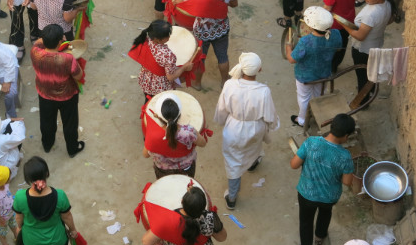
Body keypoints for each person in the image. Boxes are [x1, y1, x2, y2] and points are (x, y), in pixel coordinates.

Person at [214, 52, 279, 210]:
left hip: (233, 129)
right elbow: (270, 116)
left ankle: (232, 197)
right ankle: (252, 163)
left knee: (233, 162)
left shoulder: (230, 85)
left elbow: (221, 109)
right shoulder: (263, 91)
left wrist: (222, 121)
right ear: (259, 70)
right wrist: (271, 126)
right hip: (255, 128)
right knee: (253, 148)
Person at [290, 114, 355, 245]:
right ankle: (319, 238)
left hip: (306, 194)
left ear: (331, 127)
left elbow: (294, 165)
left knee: (305, 222)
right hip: (329, 197)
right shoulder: (345, 156)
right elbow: (347, 182)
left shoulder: (311, 142)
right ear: (346, 136)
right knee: (325, 214)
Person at [30, 24, 85, 156]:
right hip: (67, 96)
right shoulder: (67, 58)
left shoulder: (35, 53)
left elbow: (38, 43)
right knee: (70, 124)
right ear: (60, 41)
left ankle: (47, 144)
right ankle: (72, 149)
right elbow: (79, 75)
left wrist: (49, 37)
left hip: (45, 94)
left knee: (46, 121)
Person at [337, 0, 395, 104]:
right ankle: (372, 89)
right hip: (376, 44)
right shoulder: (387, 3)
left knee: (362, 76)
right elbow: (389, 20)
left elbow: (360, 36)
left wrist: (344, 24)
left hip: (362, 49)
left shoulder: (372, 14)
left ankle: (362, 102)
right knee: (370, 70)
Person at [285, 7, 342, 127]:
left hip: (305, 77)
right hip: (324, 73)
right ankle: (319, 116)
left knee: (304, 98)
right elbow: (337, 48)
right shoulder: (336, 34)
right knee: (319, 96)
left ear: (310, 27)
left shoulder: (305, 42)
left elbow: (291, 59)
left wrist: (288, 47)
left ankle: (302, 120)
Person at [13, 156, 80, 245]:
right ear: (47, 173)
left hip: (31, 240)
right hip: (57, 240)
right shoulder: (60, 195)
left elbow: (18, 218)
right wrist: (73, 230)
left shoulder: (20, 197)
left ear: (28, 179)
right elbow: (67, 217)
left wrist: (19, 227)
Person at [190, 0, 238, 89]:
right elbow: (234, 4)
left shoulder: (200, 0)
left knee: (200, 58)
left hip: (202, 32)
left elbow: (188, 10)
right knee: (223, 56)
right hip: (221, 29)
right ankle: (224, 81)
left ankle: (197, 83)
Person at [143, 93, 207, 178]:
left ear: (159, 117)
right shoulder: (189, 132)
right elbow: (203, 143)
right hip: (186, 169)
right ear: (179, 115)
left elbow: (145, 155)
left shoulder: (153, 136)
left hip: (163, 171)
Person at [129, 20, 193, 103]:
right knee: (160, 103)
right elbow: (170, 77)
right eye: (167, 36)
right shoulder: (166, 55)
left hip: (147, 79)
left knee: (148, 100)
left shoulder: (146, 39)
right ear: (158, 40)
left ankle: (145, 113)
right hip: (160, 86)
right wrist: (184, 67)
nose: (169, 37)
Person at [142, 185, 227, 245]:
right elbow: (222, 238)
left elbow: (146, 241)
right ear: (204, 206)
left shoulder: (169, 221)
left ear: (182, 201)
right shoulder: (210, 218)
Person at [322, 0, 361, 72]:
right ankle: (335, 65)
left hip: (334, 24)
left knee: (330, 47)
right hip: (349, 20)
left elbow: (327, 9)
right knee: (342, 45)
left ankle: (329, 67)